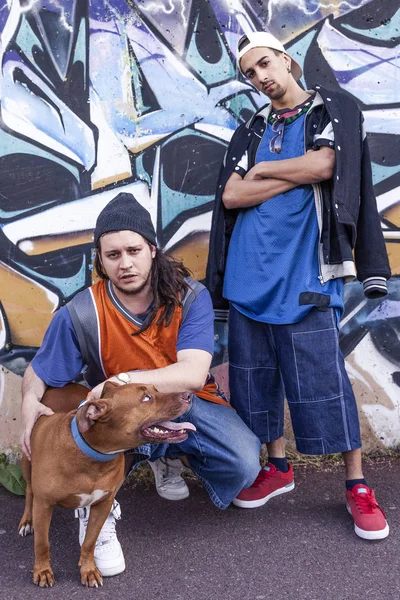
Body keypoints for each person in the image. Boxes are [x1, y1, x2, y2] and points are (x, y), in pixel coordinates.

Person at [206, 31, 391, 540]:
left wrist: (266, 169)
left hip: (307, 273)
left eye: (265, 64)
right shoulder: (251, 128)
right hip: (248, 273)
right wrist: (294, 171)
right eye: (250, 73)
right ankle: (277, 468)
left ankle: (356, 484)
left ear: (285, 59)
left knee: (323, 383)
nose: (261, 77)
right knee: (254, 379)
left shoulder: (330, 110)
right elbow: (231, 196)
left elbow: (329, 164)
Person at [21, 191, 261, 576]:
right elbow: (41, 372)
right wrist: (28, 402)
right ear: (100, 260)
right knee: (63, 403)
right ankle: (97, 506)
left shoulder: (188, 295)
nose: (125, 264)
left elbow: (194, 373)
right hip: (121, 419)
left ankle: (167, 454)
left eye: (133, 251)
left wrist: (124, 378)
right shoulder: (83, 311)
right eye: (112, 255)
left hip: (183, 401)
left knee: (244, 463)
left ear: (152, 249)